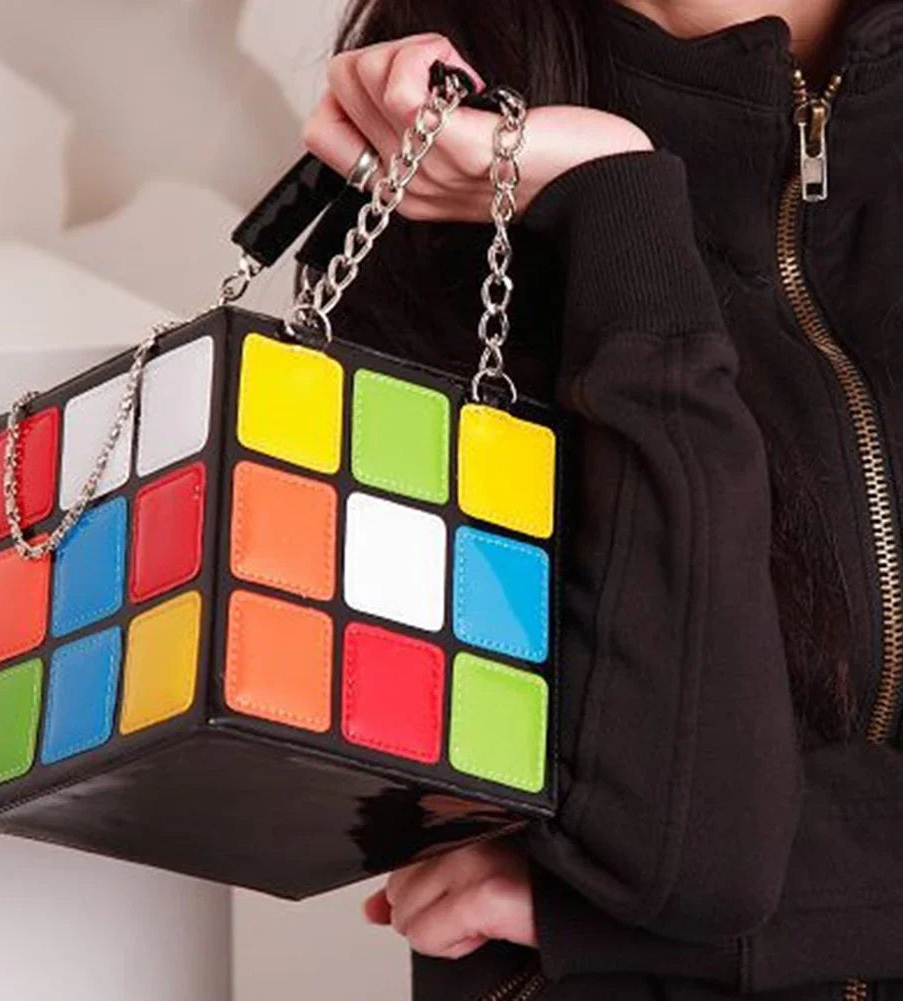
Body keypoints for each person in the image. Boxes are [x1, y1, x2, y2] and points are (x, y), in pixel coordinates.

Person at [299, 0, 903, 999]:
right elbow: (687, 844)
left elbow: (651, 868)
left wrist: (604, 911)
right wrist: (611, 199)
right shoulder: (436, 152)